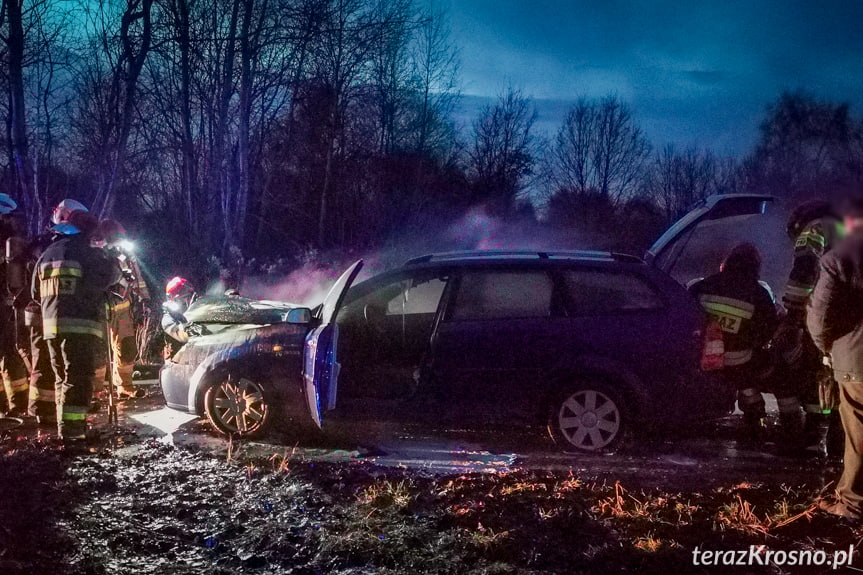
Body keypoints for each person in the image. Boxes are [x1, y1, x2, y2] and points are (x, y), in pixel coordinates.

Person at [33, 210, 119, 444]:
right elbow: (107, 277)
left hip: (51, 327)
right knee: (78, 378)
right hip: (80, 325)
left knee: (62, 377)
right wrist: (111, 257)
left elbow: (34, 293)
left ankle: (66, 430)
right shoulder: (85, 253)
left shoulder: (46, 254)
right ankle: (74, 433)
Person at [690, 243, 779, 445]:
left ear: (727, 263)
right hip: (740, 357)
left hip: (705, 355)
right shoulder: (759, 293)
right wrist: (752, 344)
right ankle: (754, 425)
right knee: (749, 382)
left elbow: (685, 312)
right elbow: (769, 328)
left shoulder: (704, 285)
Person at [774, 200, 844, 454]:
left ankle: (819, 433)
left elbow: (805, 269)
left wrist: (793, 314)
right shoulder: (847, 228)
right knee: (844, 375)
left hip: (833, 313)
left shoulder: (815, 228)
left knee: (815, 366)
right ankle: (838, 440)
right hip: (852, 312)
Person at [808, 195, 863, 520]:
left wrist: (826, 347)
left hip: (856, 363)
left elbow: (819, 316)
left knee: (858, 434)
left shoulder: (839, 258)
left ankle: (852, 503)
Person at [95, 219, 150, 399]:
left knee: (126, 347)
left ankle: (125, 386)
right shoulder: (95, 250)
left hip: (122, 307)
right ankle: (96, 391)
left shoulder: (125, 252)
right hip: (99, 308)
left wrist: (144, 299)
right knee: (98, 351)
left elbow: (137, 277)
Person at [0, 193, 29, 417]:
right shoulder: (12, 238)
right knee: (9, 352)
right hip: (7, 303)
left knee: (8, 352)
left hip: (5, 302)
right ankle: (16, 403)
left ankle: (14, 403)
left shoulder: (9, 240)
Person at [161, 276, 199, 357]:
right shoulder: (168, 320)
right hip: (179, 361)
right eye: (184, 298)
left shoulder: (196, 310)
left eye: (189, 297)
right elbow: (185, 337)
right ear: (173, 300)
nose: (188, 301)